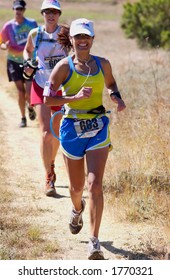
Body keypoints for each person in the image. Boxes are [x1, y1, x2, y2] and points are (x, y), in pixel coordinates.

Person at [43, 18, 126, 259]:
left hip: (98, 126)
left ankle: (94, 241)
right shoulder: (63, 67)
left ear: (92, 39)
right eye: (78, 37)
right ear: (71, 39)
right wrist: (74, 98)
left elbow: (111, 84)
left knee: (95, 184)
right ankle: (76, 208)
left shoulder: (103, 64)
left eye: (86, 37)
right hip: (71, 128)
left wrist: (116, 97)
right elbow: (49, 99)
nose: (82, 41)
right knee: (77, 187)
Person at [23, 0, 69, 196]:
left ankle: (51, 161)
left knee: (56, 132)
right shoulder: (35, 34)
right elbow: (27, 49)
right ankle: (48, 176)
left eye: (55, 12)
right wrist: (28, 62)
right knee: (45, 133)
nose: (51, 15)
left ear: (59, 14)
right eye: (47, 12)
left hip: (59, 87)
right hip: (40, 85)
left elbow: (76, 50)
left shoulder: (65, 33)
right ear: (42, 14)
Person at [0, 0, 37, 128]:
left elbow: (38, 40)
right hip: (13, 62)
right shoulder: (8, 27)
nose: (18, 11)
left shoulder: (32, 24)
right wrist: (5, 46)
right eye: (16, 9)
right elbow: (1, 43)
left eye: (20, 9)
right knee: (20, 91)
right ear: (13, 10)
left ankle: (30, 107)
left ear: (24, 10)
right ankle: (23, 118)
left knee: (29, 92)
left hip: (29, 62)